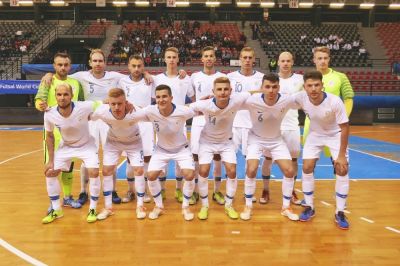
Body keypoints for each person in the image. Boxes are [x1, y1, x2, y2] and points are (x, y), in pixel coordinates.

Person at [41, 49, 127, 205]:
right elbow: (60, 75)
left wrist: (147, 75)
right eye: (95, 61)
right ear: (90, 63)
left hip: (108, 119)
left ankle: (112, 190)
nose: (98, 64)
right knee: (87, 158)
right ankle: (83, 191)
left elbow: (135, 77)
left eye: (100, 61)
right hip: (89, 119)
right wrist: (48, 75)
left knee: (110, 157)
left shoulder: (115, 76)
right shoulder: (80, 76)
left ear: (105, 63)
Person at [131, 85, 197, 221]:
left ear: (171, 98)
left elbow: (200, 110)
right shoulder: (150, 111)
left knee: (189, 175)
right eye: (158, 97)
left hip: (181, 149)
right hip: (161, 150)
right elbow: (134, 113)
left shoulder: (183, 111)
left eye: (164, 96)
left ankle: (185, 206)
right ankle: (159, 206)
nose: (161, 100)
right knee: (151, 175)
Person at [294, 71, 350, 230]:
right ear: (304, 87)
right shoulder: (300, 97)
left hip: (335, 135)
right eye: (309, 85)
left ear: (322, 85)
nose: (313, 89)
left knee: (342, 168)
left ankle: (340, 211)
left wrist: (341, 156)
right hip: (315, 134)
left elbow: (345, 128)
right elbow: (281, 100)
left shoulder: (335, 101)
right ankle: (309, 207)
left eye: (316, 85)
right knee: (306, 167)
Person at [190, 77, 251, 220]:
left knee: (232, 170)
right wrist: (196, 109)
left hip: (226, 142)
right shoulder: (205, 104)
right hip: (206, 142)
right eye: (219, 89)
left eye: (225, 89)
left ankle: (229, 205)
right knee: (203, 170)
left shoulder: (236, 100)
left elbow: (252, 93)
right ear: (213, 91)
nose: (222, 92)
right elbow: (186, 108)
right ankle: (205, 205)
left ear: (231, 91)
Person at [240, 73, 299, 222]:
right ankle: (248, 206)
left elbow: (305, 100)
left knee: (289, 170)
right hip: (256, 139)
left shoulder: (286, 100)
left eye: (274, 87)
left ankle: (286, 207)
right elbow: (231, 100)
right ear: (262, 88)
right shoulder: (252, 100)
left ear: (279, 87)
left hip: (276, 140)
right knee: (251, 168)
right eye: (267, 87)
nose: (271, 90)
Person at [42, 84, 100, 224]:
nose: (62, 98)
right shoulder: (49, 113)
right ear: (55, 96)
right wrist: (50, 160)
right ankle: (57, 209)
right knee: (50, 172)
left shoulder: (84, 106)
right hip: (66, 146)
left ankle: (93, 208)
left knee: (93, 172)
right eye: (59, 95)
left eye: (65, 94)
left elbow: (102, 103)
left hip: (86, 145)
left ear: (71, 96)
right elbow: (49, 136)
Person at [35, 52, 84, 211]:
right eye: (59, 64)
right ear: (54, 66)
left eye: (66, 65)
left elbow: (81, 105)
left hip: (70, 133)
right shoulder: (48, 81)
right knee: (51, 169)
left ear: (70, 66)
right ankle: (54, 201)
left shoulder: (76, 83)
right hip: (52, 134)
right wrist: (40, 105)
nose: (63, 67)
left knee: (68, 168)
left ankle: (68, 197)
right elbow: (38, 100)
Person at [91, 88, 146, 220]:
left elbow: (155, 114)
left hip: (134, 142)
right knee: (106, 171)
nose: (116, 107)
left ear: (126, 102)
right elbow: (84, 115)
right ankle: (108, 207)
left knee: (138, 170)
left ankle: (140, 205)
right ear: (108, 103)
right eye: (113, 104)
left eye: (120, 104)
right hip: (113, 142)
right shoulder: (102, 111)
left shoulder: (136, 111)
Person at [259, 52, 303, 205]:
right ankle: (265, 189)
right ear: (278, 62)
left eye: (288, 61)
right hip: (272, 126)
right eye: (282, 61)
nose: (285, 63)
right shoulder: (271, 80)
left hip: (292, 126)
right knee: (268, 159)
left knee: (293, 160)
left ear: (292, 62)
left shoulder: (300, 80)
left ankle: (291, 190)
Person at [153, 47, 195, 203]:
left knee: (180, 159)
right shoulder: (157, 79)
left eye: (174, 57)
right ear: (164, 59)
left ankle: (178, 189)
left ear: (178, 59)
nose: (171, 59)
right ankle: (162, 190)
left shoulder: (185, 78)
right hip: (162, 123)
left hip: (180, 122)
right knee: (161, 157)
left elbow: (193, 97)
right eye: (168, 57)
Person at [306, 46, 354, 182]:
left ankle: (339, 191)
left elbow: (349, 98)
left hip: (335, 127)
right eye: (319, 58)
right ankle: (309, 195)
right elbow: (300, 99)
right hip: (312, 125)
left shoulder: (340, 77)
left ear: (329, 59)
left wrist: (342, 118)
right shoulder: (308, 78)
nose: (323, 61)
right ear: (314, 60)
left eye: (325, 58)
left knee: (338, 160)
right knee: (310, 163)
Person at [190, 46, 226, 206]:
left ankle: (217, 191)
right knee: (196, 157)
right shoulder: (194, 76)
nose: (209, 58)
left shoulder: (223, 77)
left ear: (215, 58)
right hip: (199, 121)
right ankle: (196, 191)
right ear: (202, 59)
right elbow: (192, 101)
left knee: (217, 157)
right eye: (206, 56)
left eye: (212, 55)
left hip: (218, 122)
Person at [227, 46, 264, 202]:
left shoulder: (262, 77)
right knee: (230, 161)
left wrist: (243, 96)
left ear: (253, 59)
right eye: (245, 57)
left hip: (254, 125)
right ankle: (231, 192)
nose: (247, 60)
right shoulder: (230, 77)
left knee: (252, 163)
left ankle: (249, 192)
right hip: (234, 124)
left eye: (250, 57)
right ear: (240, 59)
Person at [118, 55, 154, 204]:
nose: (137, 69)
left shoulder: (150, 81)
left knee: (146, 158)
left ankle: (144, 190)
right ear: (128, 66)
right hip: (129, 123)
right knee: (130, 159)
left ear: (143, 66)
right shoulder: (121, 81)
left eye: (140, 66)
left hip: (146, 123)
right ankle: (130, 190)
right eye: (134, 66)